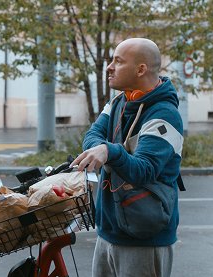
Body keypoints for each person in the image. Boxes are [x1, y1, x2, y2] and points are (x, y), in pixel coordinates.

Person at [72, 38, 183, 277]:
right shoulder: (119, 101)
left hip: (144, 238)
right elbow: (92, 135)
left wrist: (109, 151)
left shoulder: (165, 114)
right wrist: (104, 148)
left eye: (118, 62)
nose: (109, 67)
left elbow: (144, 170)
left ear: (141, 69)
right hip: (109, 231)